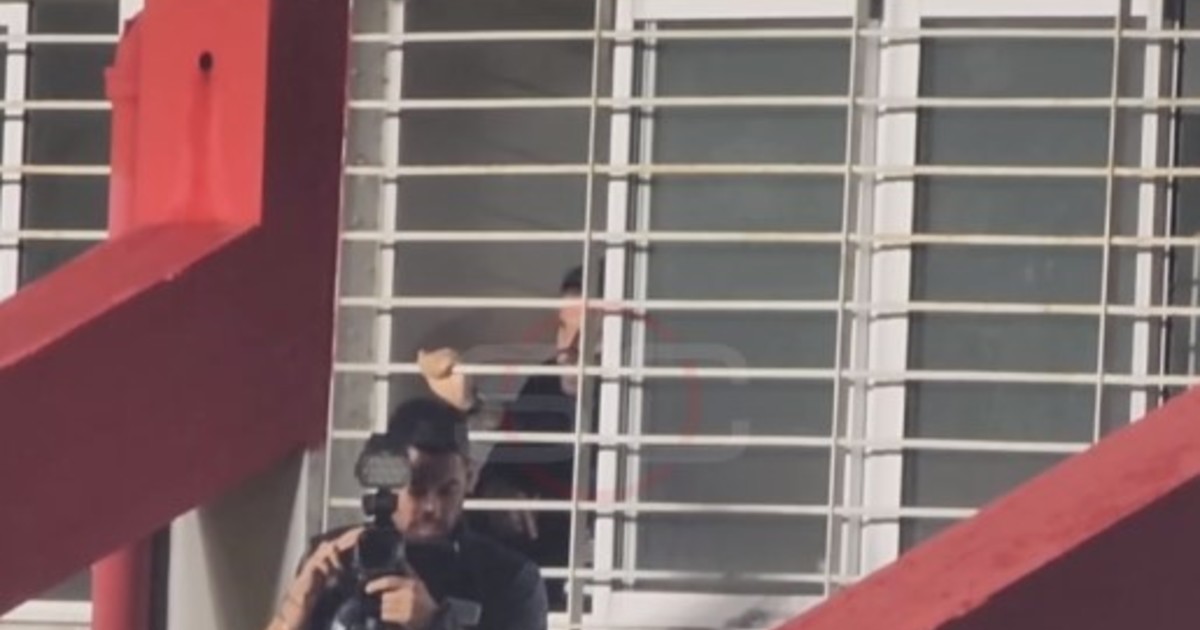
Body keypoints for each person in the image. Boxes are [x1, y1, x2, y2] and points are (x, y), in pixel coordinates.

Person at [265, 397, 549, 630]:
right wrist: (295, 608)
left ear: (470, 478)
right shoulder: (339, 559)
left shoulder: (508, 579)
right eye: (417, 490)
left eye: (447, 491)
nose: (432, 507)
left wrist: (434, 623)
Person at [418, 265, 596, 610]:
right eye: (563, 328)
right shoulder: (546, 381)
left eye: (588, 334)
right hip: (531, 576)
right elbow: (502, 464)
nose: (568, 348)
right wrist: (501, 493)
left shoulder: (634, 401)